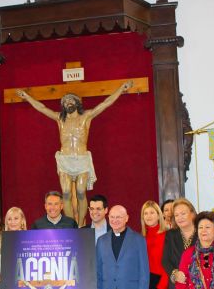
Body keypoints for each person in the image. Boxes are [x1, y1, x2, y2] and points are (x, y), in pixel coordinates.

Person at [17, 80, 133, 226]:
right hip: (65, 159)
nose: (68, 103)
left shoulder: (86, 117)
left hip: (82, 159)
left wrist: (121, 89)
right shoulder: (60, 119)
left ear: (77, 103)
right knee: (65, 192)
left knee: (80, 191)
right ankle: (71, 224)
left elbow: (105, 103)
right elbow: (42, 108)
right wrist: (27, 97)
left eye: (71, 100)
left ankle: (80, 224)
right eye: (65, 102)